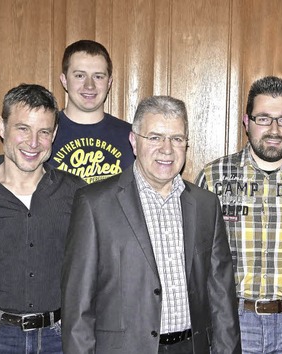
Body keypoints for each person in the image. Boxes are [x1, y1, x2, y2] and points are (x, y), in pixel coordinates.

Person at [61, 95, 240, 354]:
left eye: (177, 139)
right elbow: (78, 307)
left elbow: (221, 297)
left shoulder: (206, 205)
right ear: (134, 141)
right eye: (154, 137)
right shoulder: (94, 204)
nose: (167, 149)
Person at [196, 76, 282, 353]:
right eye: (263, 118)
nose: (274, 129)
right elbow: (197, 257)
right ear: (246, 122)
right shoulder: (213, 178)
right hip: (232, 323)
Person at [0, 84, 85, 354]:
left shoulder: (77, 193)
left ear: (54, 134)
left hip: (59, 339)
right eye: (23, 128)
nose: (33, 142)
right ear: (2, 128)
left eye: (43, 132)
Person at [50, 39, 134, 184]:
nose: (89, 85)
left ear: (109, 83)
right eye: (79, 76)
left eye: (98, 76)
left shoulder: (132, 137)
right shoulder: (44, 133)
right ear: (64, 80)